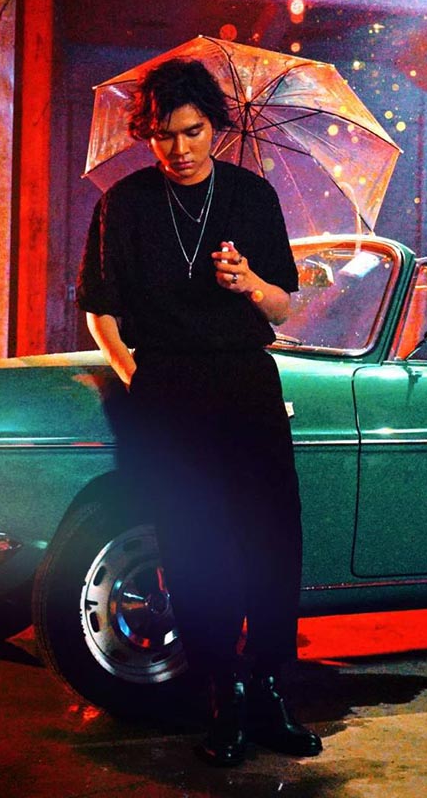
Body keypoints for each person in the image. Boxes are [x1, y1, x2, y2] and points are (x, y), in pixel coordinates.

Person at [75, 58, 321, 766]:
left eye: (191, 132)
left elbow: (283, 307)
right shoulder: (124, 204)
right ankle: (225, 696)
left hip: (246, 382)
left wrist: (251, 284)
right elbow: (100, 310)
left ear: (216, 127)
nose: (178, 149)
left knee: (272, 541)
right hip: (168, 388)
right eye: (163, 135)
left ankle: (271, 691)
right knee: (192, 548)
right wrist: (137, 375)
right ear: (147, 134)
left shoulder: (252, 195)